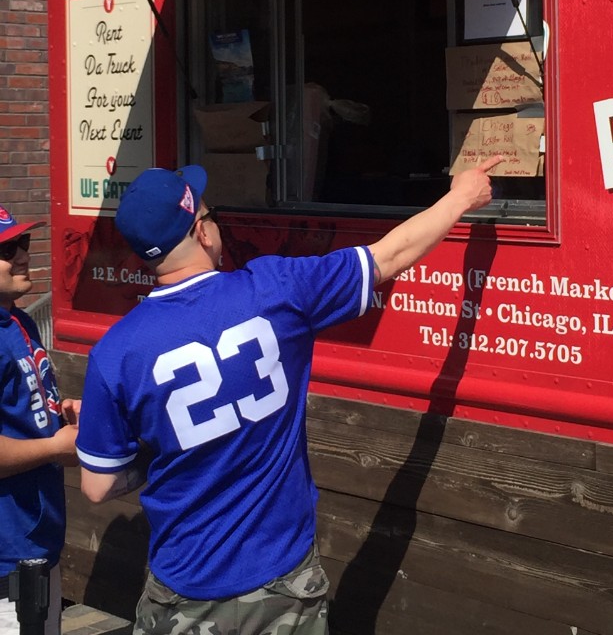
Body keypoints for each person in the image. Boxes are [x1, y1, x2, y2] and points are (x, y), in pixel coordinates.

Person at [76, 157, 502, 635]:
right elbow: (389, 256)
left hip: (181, 590)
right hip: (280, 584)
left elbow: (97, 485)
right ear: (201, 232)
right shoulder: (275, 289)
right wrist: (462, 196)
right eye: (211, 215)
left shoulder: (114, 353)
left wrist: (145, 443)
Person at [0, 205, 80, 635]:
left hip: (36, 539)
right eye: (7, 249)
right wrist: (54, 446)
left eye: (23, 243)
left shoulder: (20, 320)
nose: (24, 255)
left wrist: (59, 410)